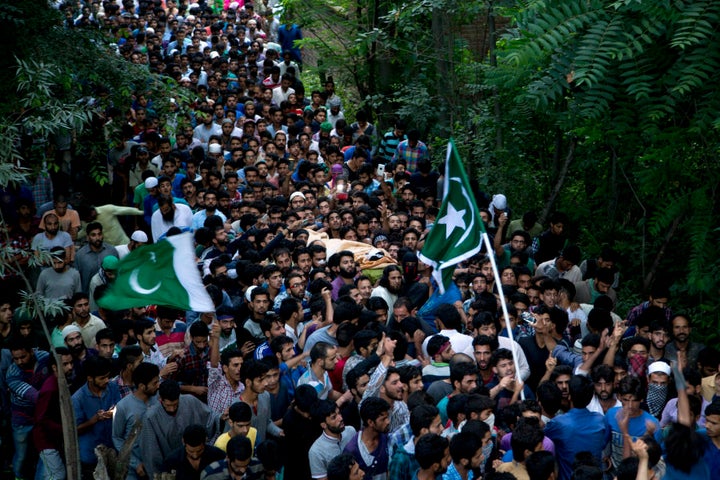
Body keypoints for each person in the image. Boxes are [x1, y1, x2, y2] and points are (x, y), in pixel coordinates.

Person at [140, 379, 223, 479]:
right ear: (160, 399)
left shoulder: (190, 401)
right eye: (168, 405)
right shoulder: (150, 417)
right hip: (170, 466)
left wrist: (221, 418)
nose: (172, 409)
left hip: (198, 462)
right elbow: (151, 453)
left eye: (175, 404)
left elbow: (210, 417)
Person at [7, 337, 52, 479]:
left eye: (23, 357)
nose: (20, 362)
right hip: (23, 419)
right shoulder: (13, 375)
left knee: (45, 451)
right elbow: (36, 397)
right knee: (21, 455)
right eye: (16, 359)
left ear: (31, 352)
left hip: (43, 416)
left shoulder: (45, 357)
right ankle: (18, 476)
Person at [72, 355, 121, 479]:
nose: (106, 380)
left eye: (108, 376)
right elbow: (75, 430)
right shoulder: (78, 399)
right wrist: (94, 420)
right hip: (90, 457)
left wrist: (113, 412)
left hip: (112, 451)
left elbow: (119, 408)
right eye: (102, 378)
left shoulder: (113, 388)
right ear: (89, 378)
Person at [112, 362, 160, 480]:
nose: (158, 385)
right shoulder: (123, 407)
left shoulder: (159, 399)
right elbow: (117, 438)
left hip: (157, 465)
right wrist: (135, 463)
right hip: (133, 470)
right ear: (142, 386)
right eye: (154, 383)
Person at [33, 346, 74, 480]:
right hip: (46, 440)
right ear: (54, 367)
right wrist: (63, 430)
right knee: (57, 474)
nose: (70, 367)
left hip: (53, 439)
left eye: (71, 363)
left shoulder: (60, 383)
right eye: (65, 364)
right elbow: (42, 418)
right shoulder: (50, 389)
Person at [309, 399, 358, 480]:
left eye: (339, 413)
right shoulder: (316, 451)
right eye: (334, 417)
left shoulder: (351, 431)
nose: (340, 418)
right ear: (324, 425)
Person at [160, 424, 226, 480]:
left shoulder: (218, 456)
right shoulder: (171, 461)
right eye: (190, 451)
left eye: (199, 451)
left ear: (205, 440)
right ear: (183, 442)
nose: (195, 455)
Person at [74, 221, 119, 293]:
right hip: (88, 298)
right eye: (93, 235)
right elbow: (77, 279)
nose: (97, 238)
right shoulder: (80, 255)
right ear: (88, 237)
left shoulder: (112, 251)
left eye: (99, 234)